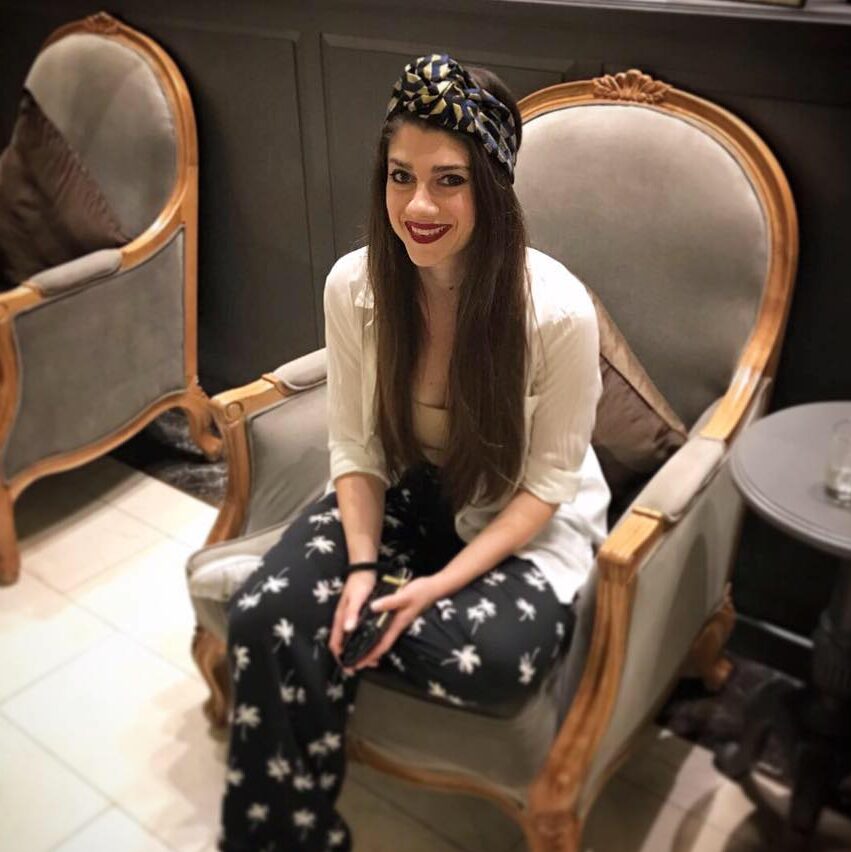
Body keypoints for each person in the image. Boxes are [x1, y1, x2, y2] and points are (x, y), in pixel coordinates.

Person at [218, 53, 610, 852]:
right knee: (263, 614)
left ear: (492, 189)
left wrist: (434, 589)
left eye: (449, 181)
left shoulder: (558, 314)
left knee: (495, 661)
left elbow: (546, 487)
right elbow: (356, 447)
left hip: (517, 520)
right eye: (402, 177)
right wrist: (364, 569)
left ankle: (351, 628)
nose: (419, 206)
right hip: (403, 494)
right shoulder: (354, 286)